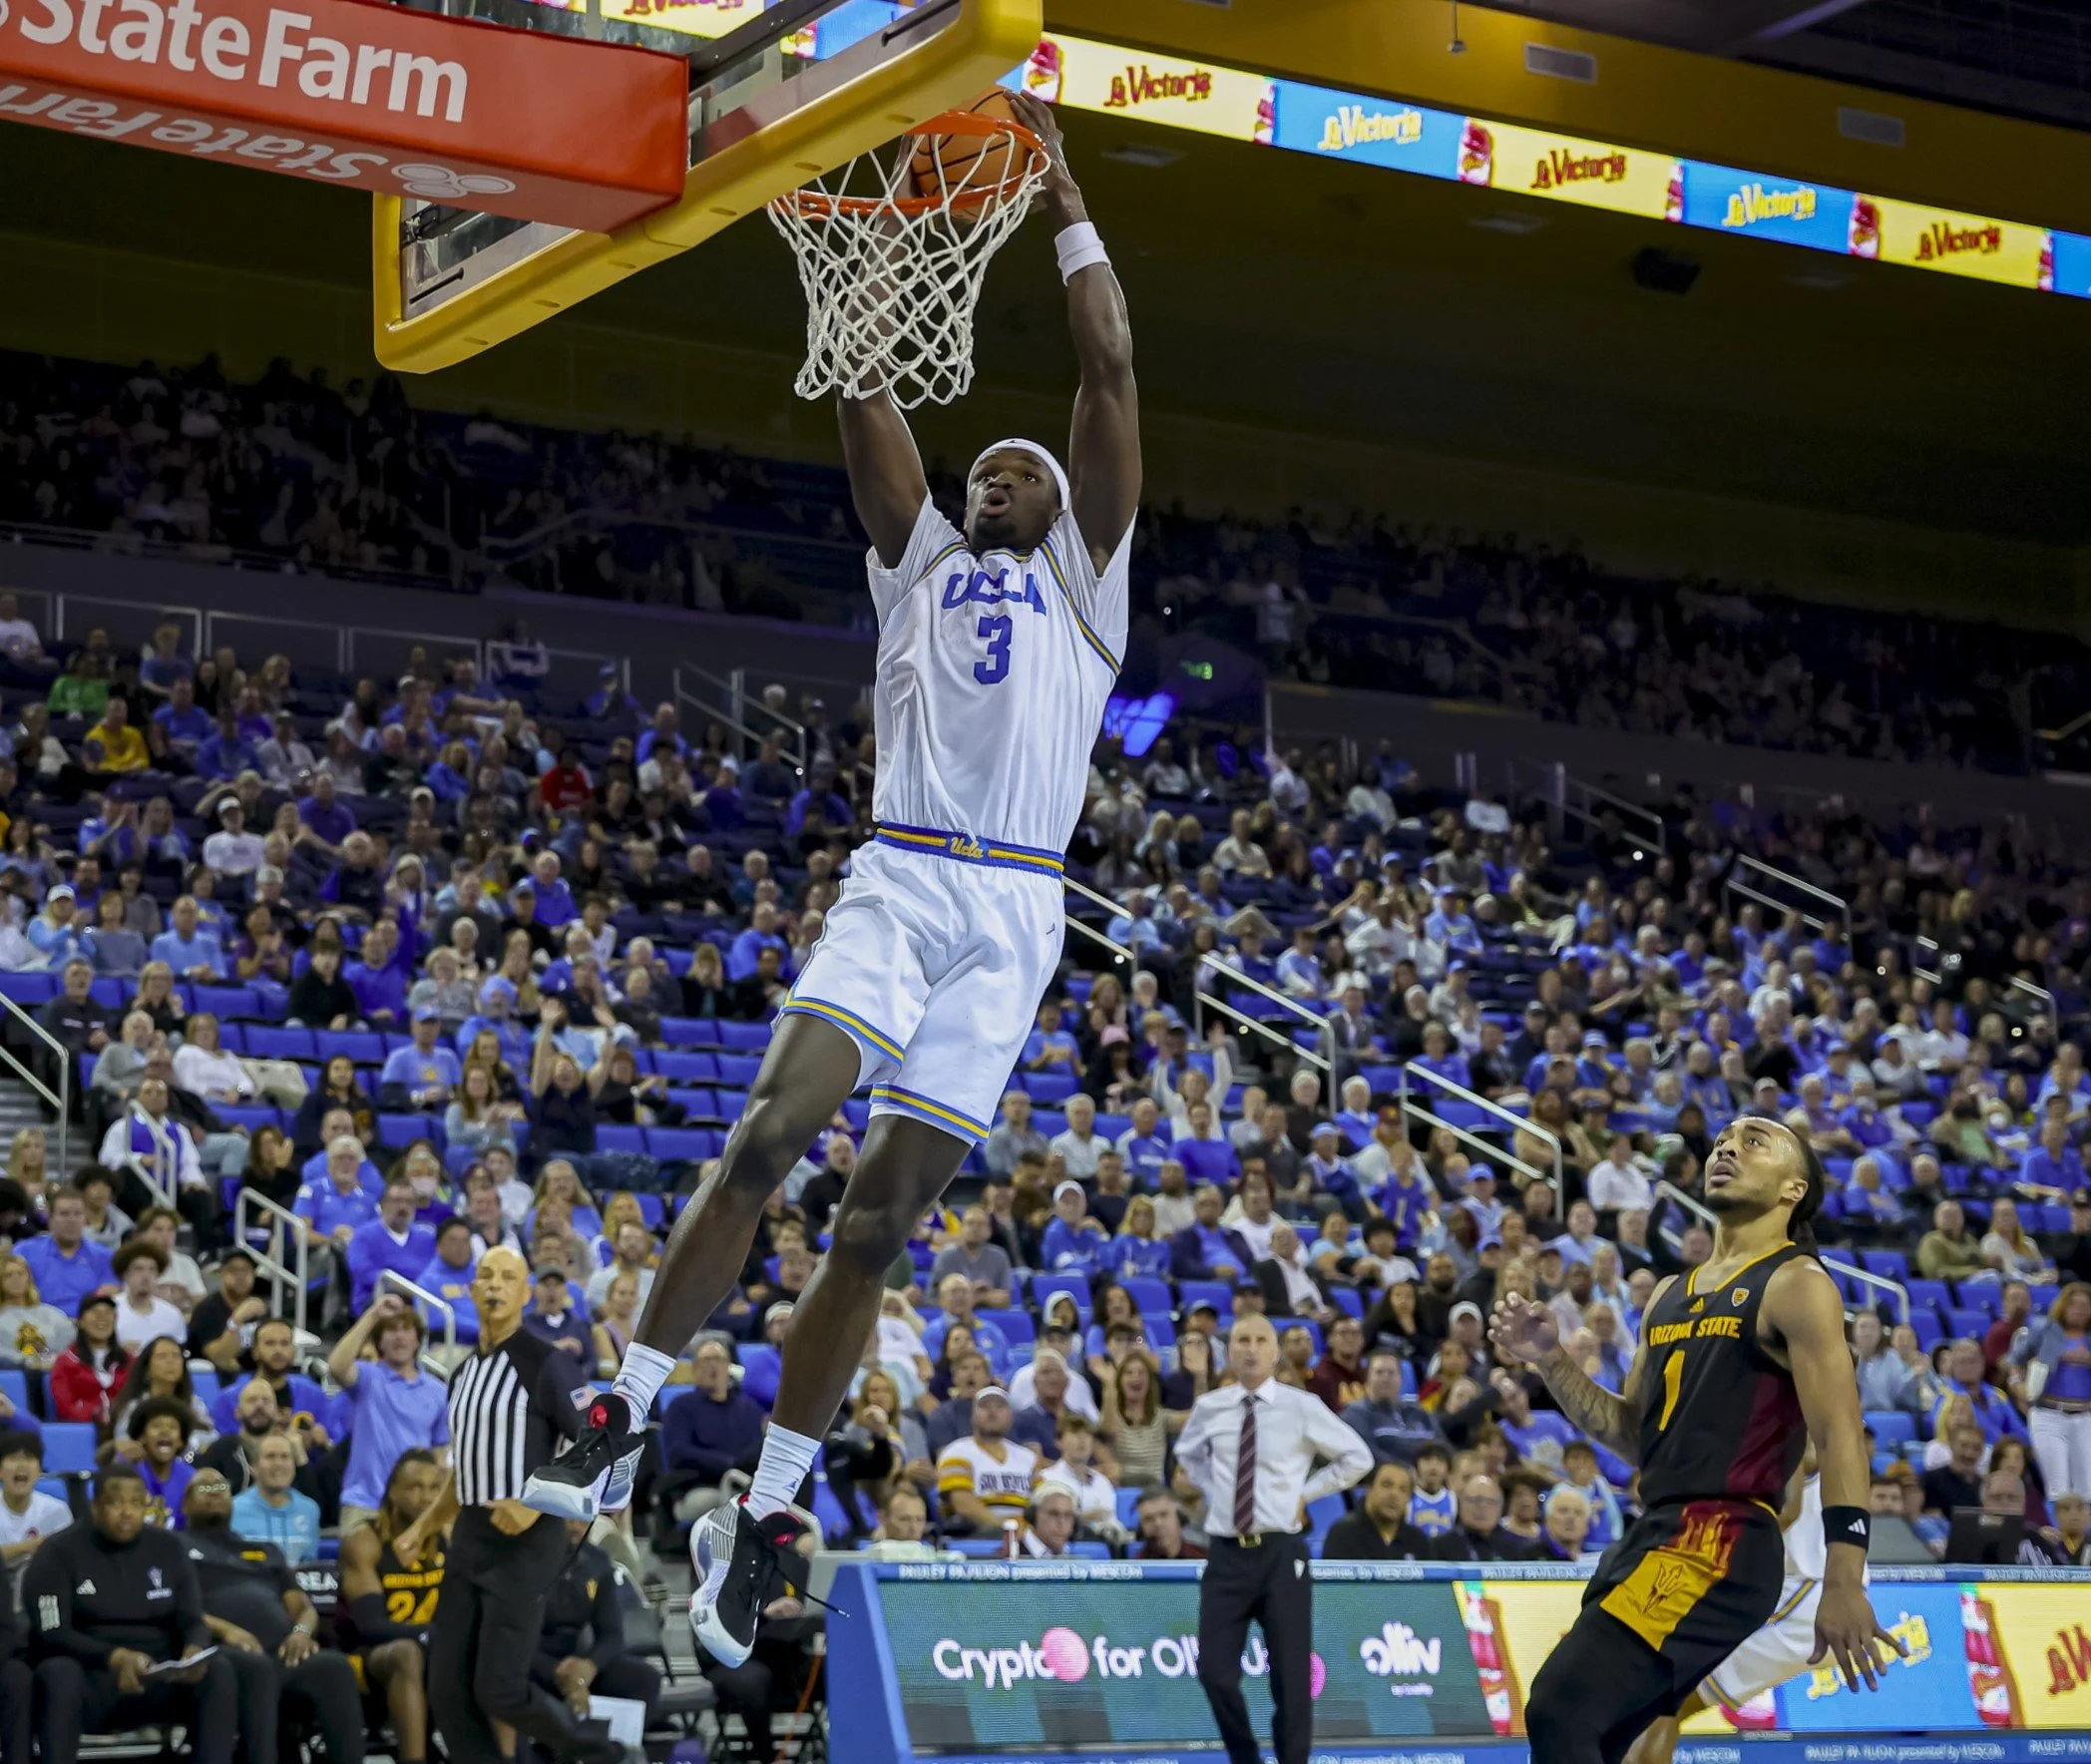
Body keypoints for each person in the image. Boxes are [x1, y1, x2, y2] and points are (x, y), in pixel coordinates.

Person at [522, 95, 1141, 1677]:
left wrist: (1068, 204)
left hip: (1017, 915)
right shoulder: (919, 563)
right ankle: (624, 1407)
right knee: (766, 1136)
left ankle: (768, 1515)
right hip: (906, 876)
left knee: (875, 1232)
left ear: (1065, 506)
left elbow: (1108, 375)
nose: (993, 477)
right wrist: (841, 233)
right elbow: (864, 387)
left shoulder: (1088, 589)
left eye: (1017, 470)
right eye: (979, 468)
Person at [1490, 1115, 1900, 1764]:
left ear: (1794, 1189)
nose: (1728, 1147)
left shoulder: (1797, 1283)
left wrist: (1845, 1580)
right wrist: (1553, 1362)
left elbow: (1841, 1434)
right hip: (1654, 1532)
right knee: (1606, 1737)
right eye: (1723, 1140)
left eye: (1755, 1141)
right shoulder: (1667, 1295)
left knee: (1560, 1706)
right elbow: (1634, 1436)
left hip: (1721, 1539)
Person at [413, 1249, 621, 1764]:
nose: (494, 1285)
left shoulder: (548, 1363)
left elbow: (598, 1440)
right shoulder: (462, 1373)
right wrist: (425, 1524)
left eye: (508, 1277)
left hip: (528, 1542)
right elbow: (466, 1465)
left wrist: (533, 1502)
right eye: (485, 1275)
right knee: (445, 1688)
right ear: (470, 1290)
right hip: (470, 1536)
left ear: (526, 1294)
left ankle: (602, 1753)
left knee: (499, 1688)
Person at [1174, 1315, 1372, 1764]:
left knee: (1292, 1679)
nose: (1250, 1348)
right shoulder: (1211, 1407)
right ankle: (1246, 1758)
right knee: (1214, 1672)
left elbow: (1357, 1457)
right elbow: (1187, 1454)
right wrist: (1216, 1492)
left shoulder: (1301, 1406)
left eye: (1260, 1340)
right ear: (1229, 1351)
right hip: (1226, 1555)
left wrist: (1306, 1493)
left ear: (1275, 1352)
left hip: (1282, 1553)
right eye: (1242, 1340)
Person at [1624, 1455, 1855, 1764]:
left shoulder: (1789, 1435)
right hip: (1813, 1596)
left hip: (1806, 1601)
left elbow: (1785, 1513)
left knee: (1662, 1700)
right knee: (1665, 1703)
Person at [23, 1465, 244, 1764]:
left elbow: (192, 1619)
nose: (127, 1512)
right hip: (92, 1675)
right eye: (116, 1503)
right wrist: (114, 1657)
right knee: (58, 1673)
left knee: (217, 1671)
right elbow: (52, 1632)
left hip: (160, 1673)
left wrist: (194, 1649)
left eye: (137, 1502)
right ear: (95, 1507)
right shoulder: (58, 1552)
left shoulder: (168, 1547)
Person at [180, 1470, 365, 1764]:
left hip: (281, 1653)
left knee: (335, 1666)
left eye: (221, 1487)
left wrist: (301, 1632)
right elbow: (175, 1607)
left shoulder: (264, 1550)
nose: (214, 1491)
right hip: (222, 1653)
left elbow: (303, 1608)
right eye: (203, 1488)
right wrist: (227, 1631)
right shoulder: (173, 1547)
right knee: (258, 1669)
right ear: (185, 1504)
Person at [337, 1449, 446, 1764]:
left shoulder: (445, 1539)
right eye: (415, 1487)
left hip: (433, 1652)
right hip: (369, 1658)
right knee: (406, 1653)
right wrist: (428, 1635)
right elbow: (370, 1626)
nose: (426, 1497)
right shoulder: (365, 1541)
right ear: (393, 1492)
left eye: (434, 1488)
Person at [329, 1295, 452, 1535]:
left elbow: (439, 1455)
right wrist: (374, 1315)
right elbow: (336, 1367)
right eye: (391, 1330)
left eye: (406, 1329)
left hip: (416, 1506)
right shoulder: (367, 1377)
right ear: (379, 1342)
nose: (399, 1337)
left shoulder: (438, 1391)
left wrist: (438, 1509)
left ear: (417, 1340)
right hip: (364, 1503)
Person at [531, 1519, 662, 1728]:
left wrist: (589, 1667)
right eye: (570, 1519)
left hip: (576, 1661)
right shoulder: (528, 1561)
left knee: (646, 1679)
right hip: (532, 1660)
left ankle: (622, 1744)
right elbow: (510, 1639)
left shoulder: (598, 1562)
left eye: (583, 1520)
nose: (576, 1527)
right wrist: (555, 1670)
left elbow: (612, 1634)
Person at [228, 1431, 323, 1564]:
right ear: (254, 1467)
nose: (278, 1463)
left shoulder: (310, 1510)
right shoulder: (233, 1509)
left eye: (285, 1456)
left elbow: (310, 1565)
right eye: (270, 1456)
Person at [1322, 1459, 1425, 1560]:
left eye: (1403, 1489)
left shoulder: (1418, 1540)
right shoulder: (1343, 1534)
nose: (1394, 1494)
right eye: (1386, 1485)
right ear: (1368, 1489)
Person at [0, 1430, 70, 1563]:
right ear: (0, 1470)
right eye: (13, 1458)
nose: (21, 1465)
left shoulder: (56, 1511)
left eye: (29, 1458)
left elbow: (68, 1560)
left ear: (39, 1471)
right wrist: (27, 1547)